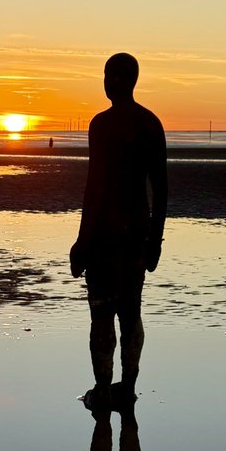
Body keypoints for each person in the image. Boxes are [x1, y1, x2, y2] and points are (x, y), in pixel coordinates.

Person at [69, 53, 167, 410]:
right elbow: (162, 189)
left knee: (104, 315)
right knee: (129, 312)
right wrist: (155, 238)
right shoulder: (150, 123)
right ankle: (122, 388)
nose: (106, 82)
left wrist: (82, 241)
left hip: (109, 236)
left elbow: (95, 187)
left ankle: (108, 388)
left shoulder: (105, 125)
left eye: (109, 76)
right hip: (133, 234)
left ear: (124, 80)